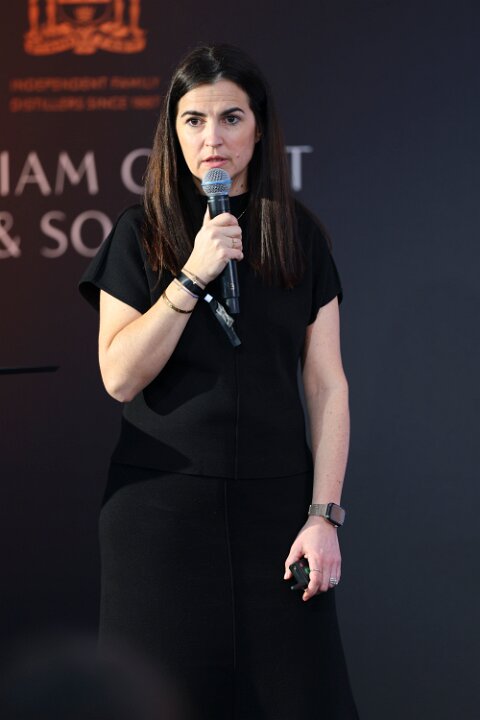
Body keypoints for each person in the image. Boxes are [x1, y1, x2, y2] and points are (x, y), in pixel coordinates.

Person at [80, 43, 359, 720]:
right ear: (172, 133)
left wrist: (323, 516)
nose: (213, 139)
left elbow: (327, 385)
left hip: (279, 520)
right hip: (161, 520)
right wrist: (191, 276)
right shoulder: (140, 233)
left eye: (231, 118)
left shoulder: (299, 235)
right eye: (194, 120)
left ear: (259, 129)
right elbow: (119, 376)